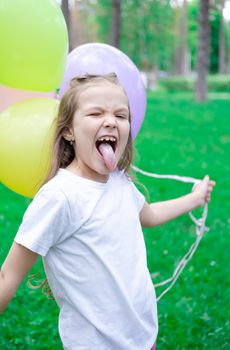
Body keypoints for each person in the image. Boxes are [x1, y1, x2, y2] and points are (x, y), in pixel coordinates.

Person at [0, 74, 215, 350]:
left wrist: (194, 199)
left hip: (141, 335)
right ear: (69, 131)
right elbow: (8, 275)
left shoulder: (119, 182)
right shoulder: (61, 197)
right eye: (96, 113)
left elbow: (148, 214)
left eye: (121, 115)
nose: (111, 121)